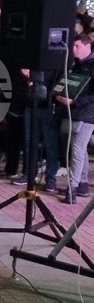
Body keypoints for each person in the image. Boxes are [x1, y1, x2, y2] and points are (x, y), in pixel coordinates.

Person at [57, 33, 94, 203]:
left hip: (87, 113)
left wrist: (75, 102)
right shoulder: (77, 64)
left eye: (77, 46)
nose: (73, 49)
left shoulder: (90, 65)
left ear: (87, 46)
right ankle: (82, 184)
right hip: (75, 111)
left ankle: (72, 188)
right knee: (79, 149)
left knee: (77, 150)